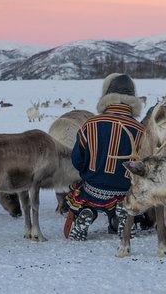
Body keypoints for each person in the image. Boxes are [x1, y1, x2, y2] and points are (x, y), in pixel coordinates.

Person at [63, 73, 144, 241]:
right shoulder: (140, 129)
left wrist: (89, 171)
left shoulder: (91, 124)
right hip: (124, 188)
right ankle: (123, 216)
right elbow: (142, 165)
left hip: (94, 186)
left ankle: (88, 213)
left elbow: (77, 158)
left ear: (107, 97)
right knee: (128, 199)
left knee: (83, 196)